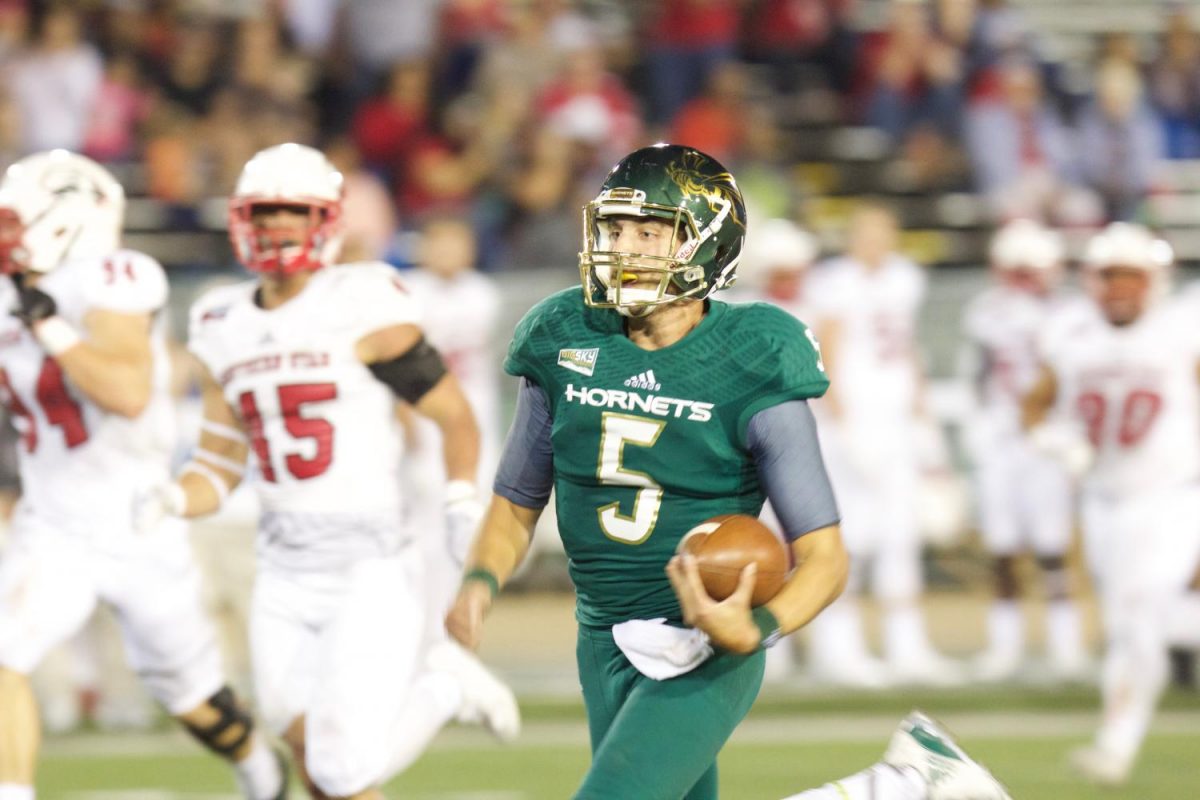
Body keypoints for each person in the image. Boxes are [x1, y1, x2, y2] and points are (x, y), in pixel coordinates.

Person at [446, 143, 1009, 800]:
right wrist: (480, 581)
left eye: (650, 232)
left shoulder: (752, 353)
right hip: (600, 635)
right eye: (615, 228)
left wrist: (757, 628)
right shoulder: (564, 332)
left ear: (706, 246)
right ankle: (910, 783)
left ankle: (899, 788)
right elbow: (516, 502)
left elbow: (825, 557)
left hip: (702, 636)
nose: (624, 246)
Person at [136, 143, 518, 800]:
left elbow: (455, 414)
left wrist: (459, 497)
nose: (279, 225)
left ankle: (446, 684)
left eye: (294, 211)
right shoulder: (219, 320)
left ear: (326, 220)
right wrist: (170, 498)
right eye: (266, 212)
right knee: (306, 746)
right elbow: (219, 461)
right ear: (242, 220)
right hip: (282, 565)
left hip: (366, 562)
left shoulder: (361, 300)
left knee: (343, 769)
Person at [0, 151, 286, 800]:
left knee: (193, 701)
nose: (8, 236)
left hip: (139, 518)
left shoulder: (114, 277)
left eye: (19, 222)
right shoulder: (9, 294)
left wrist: (48, 328)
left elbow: (127, 392)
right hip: (51, 525)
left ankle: (259, 771)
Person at [1022, 222, 1200, 785]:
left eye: (1132, 276)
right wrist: (1054, 440)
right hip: (1104, 501)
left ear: (1156, 281)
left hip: (1173, 494)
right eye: (1109, 275)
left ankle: (1116, 745)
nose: (1119, 287)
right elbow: (1035, 405)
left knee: (1143, 613)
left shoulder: (1182, 331)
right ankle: (1116, 742)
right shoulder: (1070, 334)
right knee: (1130, 623)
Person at [805, 202, 962, 687]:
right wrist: (844, 423)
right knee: (852, 538)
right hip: (851, 425)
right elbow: (824, 353)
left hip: (893, 424)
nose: (876, 242)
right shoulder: (835, 280)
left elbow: (907, 348)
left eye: (883, 232)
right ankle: (839, 646)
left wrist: (922, 415)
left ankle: (907, 645)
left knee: (900, 537)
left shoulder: (903, 278)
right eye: (867, 232)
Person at [961, 219, 1087, 682]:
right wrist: (979, 422)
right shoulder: (987, 311)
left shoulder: (1072, 314)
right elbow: (977, 372)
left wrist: (1068, 432)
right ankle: (1005, 645)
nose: (1025, 279)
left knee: (1054, 546)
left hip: (1047, 437)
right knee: (1002, 547)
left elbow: (1075, 381)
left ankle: (1065, 643)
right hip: (1001, 436)